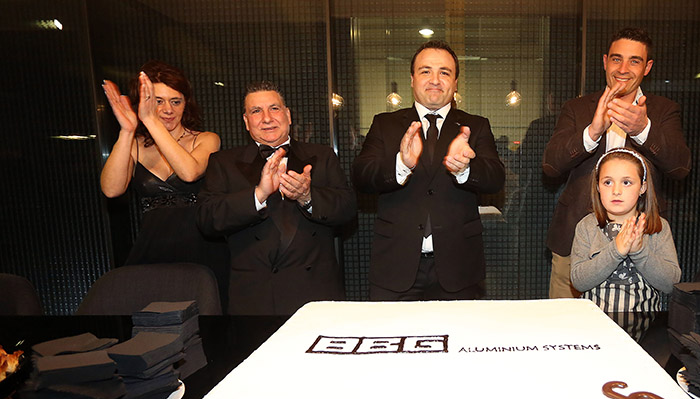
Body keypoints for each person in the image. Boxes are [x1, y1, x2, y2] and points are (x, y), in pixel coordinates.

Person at [542, 28, 690, 299]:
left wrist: (643, 129)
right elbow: (551, 166)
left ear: (647, 67)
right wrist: (592, 132)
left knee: (637, 319)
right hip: (575, 240)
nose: (623, 69)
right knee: (567, 322)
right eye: (616, 59)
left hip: (643, 242)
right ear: (605, 61)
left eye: (634, 61)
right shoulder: (577, 108)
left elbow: (680, 167)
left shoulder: (663, 110)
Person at [352, 40, 505, 300]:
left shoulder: (475, 126)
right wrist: (401, 164)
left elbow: (496, 178)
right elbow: (361, 177)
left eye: (444, 72)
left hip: (459, 267)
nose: (435, 80)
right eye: (426, 71)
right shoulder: (384, 124)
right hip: (395, 266)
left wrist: (465, 169)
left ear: (455, 83)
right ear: (412, 79)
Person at [197, 81, 355, 315]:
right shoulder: (224, 162)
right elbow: (207, 220)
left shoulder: (322, 156)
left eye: (274, 108)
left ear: (288, 115)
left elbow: (348, 210)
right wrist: (258, 194)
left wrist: (307, 196)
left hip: (316, 295)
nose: (267, 118)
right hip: (255, 299)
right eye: (256, 111)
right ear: (246, 122)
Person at [100, 60, 230, 305]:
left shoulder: (206, 139)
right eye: (158, 101)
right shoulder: (135, 145)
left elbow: (189, 173)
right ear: (143, 103)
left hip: (204, 251)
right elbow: (111, 189)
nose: (168, 109)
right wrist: (127, 131)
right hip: (153, 252)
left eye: (176, 101)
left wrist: (150, 121)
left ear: (186, 104)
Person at [571, 148, 680, 314]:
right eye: (608, 182)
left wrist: (639, 252)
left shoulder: (658, 227)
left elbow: (671, 283)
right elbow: (579, 281)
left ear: (642, 187)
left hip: (646, 323)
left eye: (626, 182)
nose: (616, 191)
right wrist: (616, 250)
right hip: (595, 323)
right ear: (598, 187)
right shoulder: (587, 226)